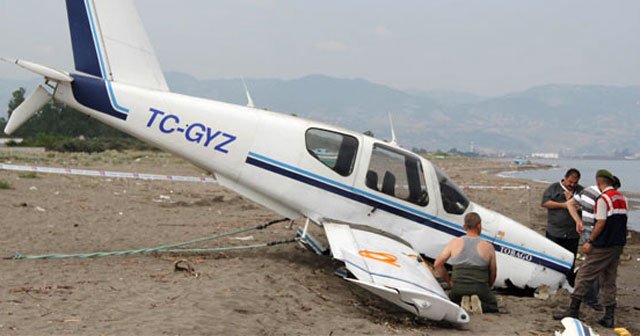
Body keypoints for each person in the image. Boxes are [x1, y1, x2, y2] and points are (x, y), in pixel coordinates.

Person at [553, 169, 628, 328]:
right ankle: (609, 316)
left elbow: (600, 223)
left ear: (599, 182)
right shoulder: (621, 198)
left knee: (585, 275)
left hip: (603, 244)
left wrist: (591, 241)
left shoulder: (604, 199)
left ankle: (573, 309)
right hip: (617, 244)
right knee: (609, 279)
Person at [566, 175, 622, 311]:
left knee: (590, 270)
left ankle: (581, 304)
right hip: (599, 236)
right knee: (597, 272)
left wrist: (578, 221)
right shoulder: (607, 197)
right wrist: (591, 240)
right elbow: (602, 222)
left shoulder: (587, 191)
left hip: (592, 233)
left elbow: (570, 203)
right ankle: (591, 301)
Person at [435, 212, 498, 313]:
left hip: (458, 287)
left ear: (464, 226)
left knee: (453, 301)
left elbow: (437, 264)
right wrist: (488, 286)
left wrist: (450, 282)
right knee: (492, 305)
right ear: (479, 226)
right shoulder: (488, 247)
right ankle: (480, 305)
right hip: (480, 288)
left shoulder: (454, 243)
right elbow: (493, 272)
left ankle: (462, 304)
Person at [541, 168, 583, 284]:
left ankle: (568, 282)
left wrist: (576, 205)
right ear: (565, 178)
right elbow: (545, 203)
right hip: (555, 231)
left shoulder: (580, 191)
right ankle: (550, 281)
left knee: (570, 259)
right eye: (570, 182)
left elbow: (586, 206)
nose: (572, 185)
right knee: (552, 257)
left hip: (572, 233)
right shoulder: (553, 188)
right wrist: (565, 205)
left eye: (575, 183)